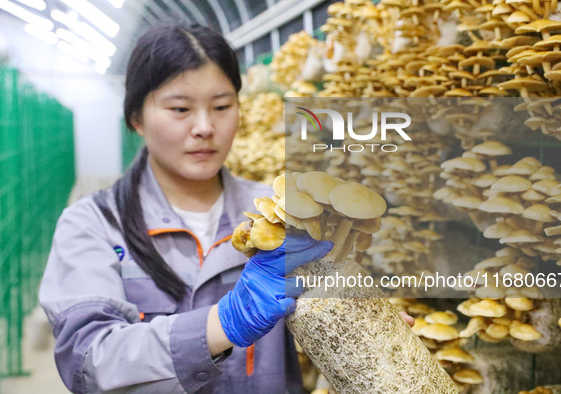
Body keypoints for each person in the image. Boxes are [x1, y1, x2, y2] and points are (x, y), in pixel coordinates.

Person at [39, 22, 413, 394]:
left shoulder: (285, 213)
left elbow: (321, 319)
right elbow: (86, 362)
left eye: (221, 106)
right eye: (180, 108)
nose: (205, 127)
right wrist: (227, 321)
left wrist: (358, 326)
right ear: (137, 118)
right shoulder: (93, 224)